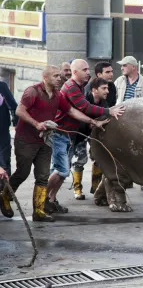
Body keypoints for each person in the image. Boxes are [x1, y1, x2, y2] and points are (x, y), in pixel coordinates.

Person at [0, 65, 110, 222]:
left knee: (43, 176)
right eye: (55, 76)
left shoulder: (58, 95)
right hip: (26, 140)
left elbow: (71, 111)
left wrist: (93, 121)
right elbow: (19, 111)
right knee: (23, 173)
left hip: (45, 140)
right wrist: (36, 124)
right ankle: (5, 196)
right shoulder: (33, 91)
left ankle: (38, 211)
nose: (60, 78)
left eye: (60, 75)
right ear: (45, 78)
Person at [46, 59, 125, 213]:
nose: (88, 72)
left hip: (69, 135)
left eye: (88, 69)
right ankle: (41, 198)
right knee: (61, 170)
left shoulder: (80, 86)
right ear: (75, 72)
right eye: (85, 69)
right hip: (61, 134)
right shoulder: (71, 87)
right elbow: (85, 107)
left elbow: (77, 111)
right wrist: (109, 111)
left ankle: (51, 199)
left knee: (63, 170)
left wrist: (93, 122)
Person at [76, 77, 110, 197]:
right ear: (94, 90)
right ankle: (77, 190)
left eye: (107, 88)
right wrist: (89, 123)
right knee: (80, 160)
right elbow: (78, 116)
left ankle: (95, 188)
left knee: (99, 158)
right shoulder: (84, 100)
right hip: (79, 134)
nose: (107, 91)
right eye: (104, 88)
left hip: (93, 134)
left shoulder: (104, 103)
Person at [0, 81, 18, 182]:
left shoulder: (2, 86)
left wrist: (16, 125)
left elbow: (13, 106)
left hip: (2, 135)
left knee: (4, 167)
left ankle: (4, 194)